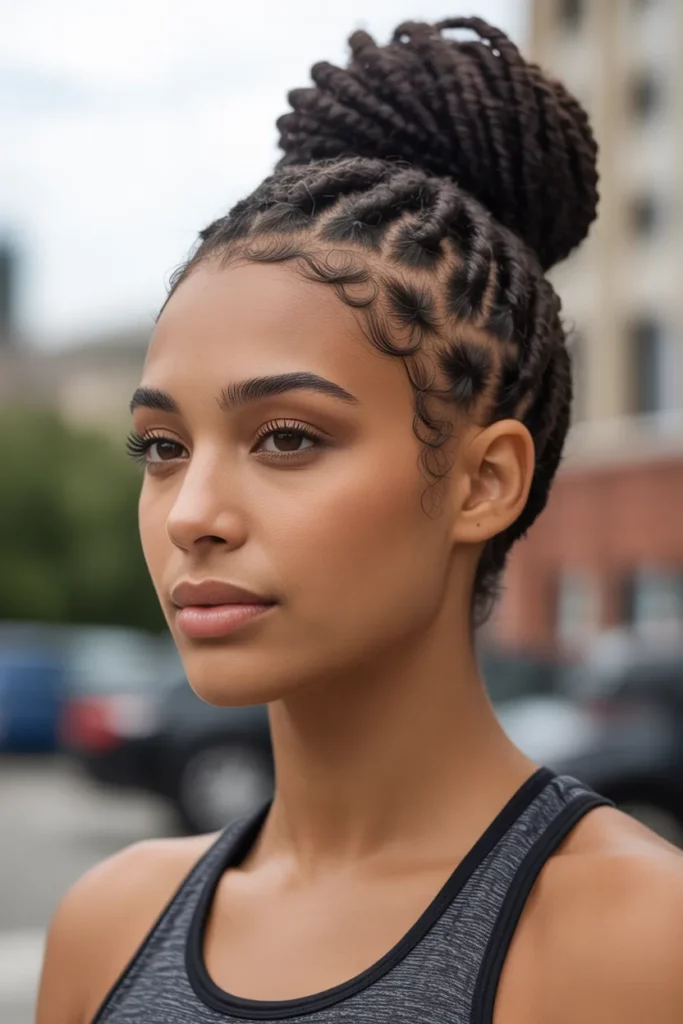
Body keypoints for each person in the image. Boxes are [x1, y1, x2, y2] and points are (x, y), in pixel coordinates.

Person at [37, 16, 683, 1024]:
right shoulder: (109, 927)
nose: (192, 514)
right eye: (162, 447)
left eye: (286, 437)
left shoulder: (636, 942)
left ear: (483, 481)